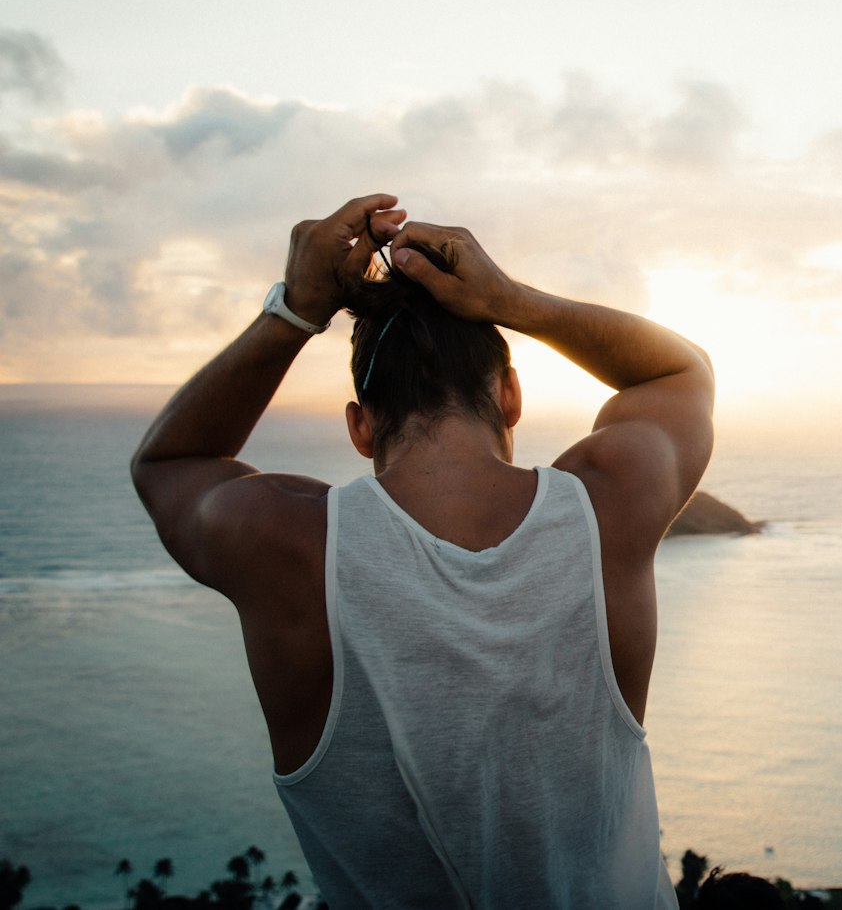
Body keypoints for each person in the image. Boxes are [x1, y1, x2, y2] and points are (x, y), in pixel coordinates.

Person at [131, 193, 713, 909]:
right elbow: (679, 374)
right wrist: (514, 300)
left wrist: (296, 311)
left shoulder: (288, 541)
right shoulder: (608, 504)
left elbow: (169, 464)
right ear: (510, 396)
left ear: (361, 425)